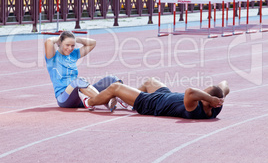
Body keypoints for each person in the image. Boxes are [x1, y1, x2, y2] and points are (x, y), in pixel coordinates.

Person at [80, 77, 229, 119]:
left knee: (115, 87)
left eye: (204, 94)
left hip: (151, 104)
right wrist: (215, 98)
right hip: (166, 95)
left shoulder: (195, 110)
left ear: (208, 102)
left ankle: (89, 101)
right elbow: (224, 84)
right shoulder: (217, 104)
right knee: (149, 82)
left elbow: (190, 91)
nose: (200, 93)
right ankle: (128, 102)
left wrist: (209, 98)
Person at [44, 31, 122, 109]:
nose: (70, 48)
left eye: (72, 45)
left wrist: (75, 39)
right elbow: (49, 41)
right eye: (67, 45)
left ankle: (126, 101)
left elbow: (92, 43)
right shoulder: (52, 57)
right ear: (60, 43)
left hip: (81, 96)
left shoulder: (73, 54)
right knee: (79, 81)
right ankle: (106, 101)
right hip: (64, 98)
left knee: (112, 79)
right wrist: (60, 38)